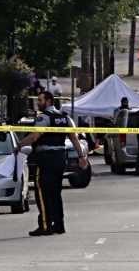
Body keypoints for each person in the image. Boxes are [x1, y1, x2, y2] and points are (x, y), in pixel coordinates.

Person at [16, 91, 88, 236]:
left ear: (48, 101)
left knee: (43, 193)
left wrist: (19, 145)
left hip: (46, 158)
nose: (38, 102)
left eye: (40, 100)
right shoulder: (65, 117)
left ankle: (45, 225)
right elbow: (74, 138)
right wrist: (81, 156)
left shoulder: (44, 117)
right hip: (60, 158)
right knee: (55, 193)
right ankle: (59, 225)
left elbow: (35, 136)